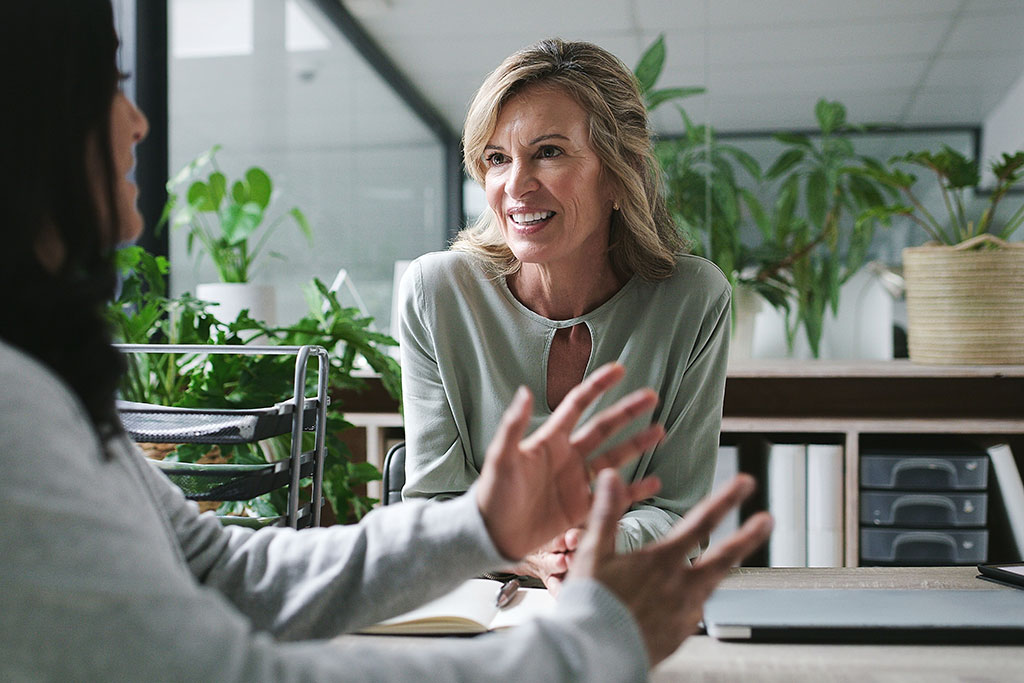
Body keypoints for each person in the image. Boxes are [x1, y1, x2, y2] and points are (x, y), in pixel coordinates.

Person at [0, 4, 771, 679]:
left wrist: (485, 526)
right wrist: (591, 647)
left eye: (549, 152)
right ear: (35, 121)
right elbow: (221, 673)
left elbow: (223, 567)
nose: (138, 120)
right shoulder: (13, 411)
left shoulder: (43, 385)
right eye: (112, 82)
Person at [400, 38, 732, 589]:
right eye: (497, 159)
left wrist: (599, 544)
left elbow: (678, 513)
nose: (516, 186)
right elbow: (434, 507)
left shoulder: (693, 300)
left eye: (549, 152)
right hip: (478, 606)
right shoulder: (438, 293)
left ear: (619, 173)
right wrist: (534, 551)